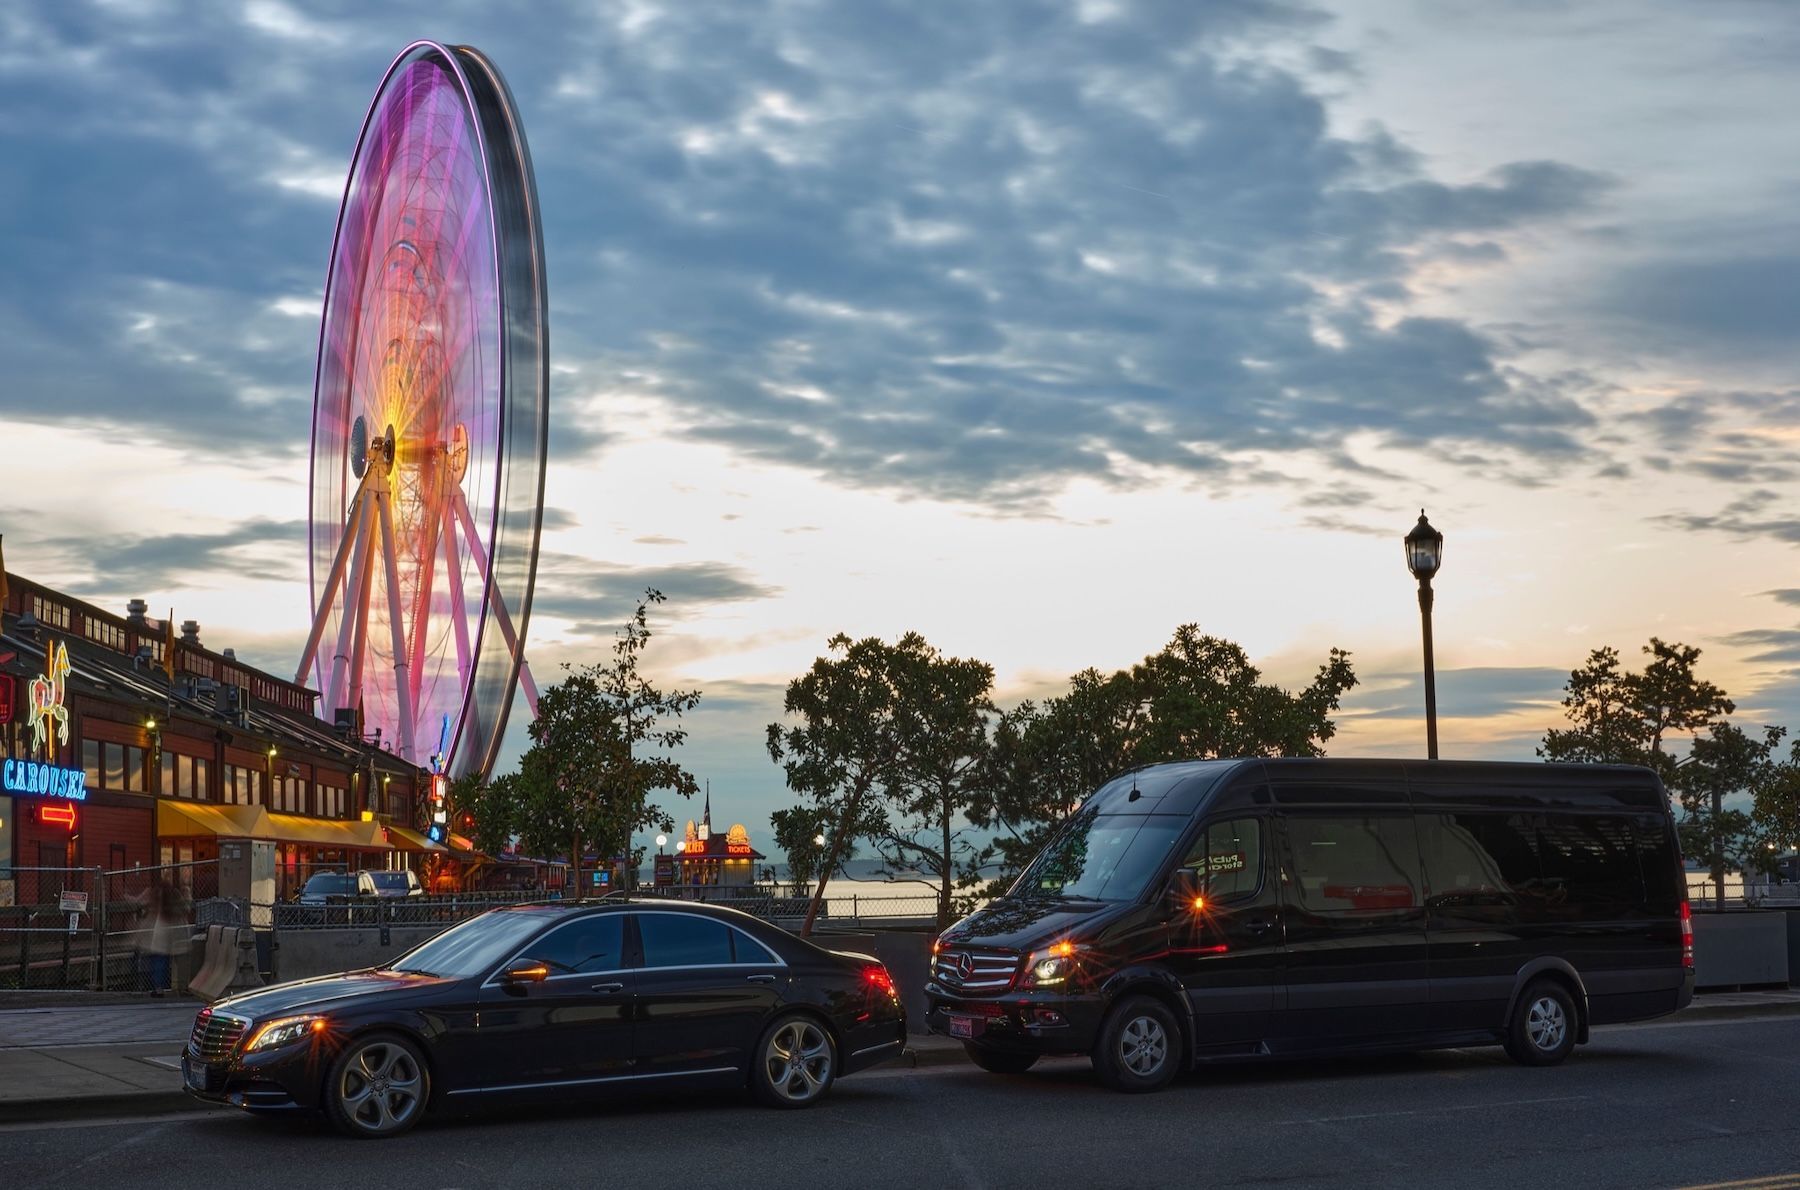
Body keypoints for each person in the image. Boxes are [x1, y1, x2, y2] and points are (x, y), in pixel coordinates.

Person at [135, 875, 188, 996]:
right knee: (180, 961)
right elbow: (185, 908)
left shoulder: (156, 896)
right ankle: (181, 987)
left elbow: (142, 904)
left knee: (159, 961)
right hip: (176, 931)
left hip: (161, 931)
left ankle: (158, 988)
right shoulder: (175, 895)